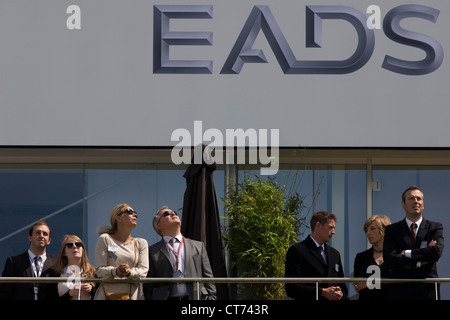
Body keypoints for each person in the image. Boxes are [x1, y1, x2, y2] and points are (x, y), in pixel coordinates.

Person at [383, 186, 444, 300]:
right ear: (403, 204)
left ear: (423, 204)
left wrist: (406, 253)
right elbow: (389, 259)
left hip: (427, 290)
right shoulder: (392, 230)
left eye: (418, 199)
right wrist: (422, 259)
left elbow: (436, 253)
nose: (416, 201)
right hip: (400, 291)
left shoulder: (435, 228)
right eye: (411, 198)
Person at [143, 206, 216, 300]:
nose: (173, 214)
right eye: (167, 214)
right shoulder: (152, 251)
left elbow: (208, 277)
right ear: (159, 226)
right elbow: (149, 284)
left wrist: (212, 298)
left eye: (174, 212)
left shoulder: (198, 246)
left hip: (195, 298)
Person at [285, 211, 348, 300]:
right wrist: (322, 292)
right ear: (318, 225)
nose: (333, 232)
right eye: (330, 227)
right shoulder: (297, 250)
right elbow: (291, 288)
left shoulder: (335, 254)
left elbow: (343, 287)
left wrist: (340, 294)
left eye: (334, 228)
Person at [94, 204, 149, 300]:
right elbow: (99, 270)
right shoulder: (105, 239)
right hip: (107, 295)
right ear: (118, 218)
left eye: (135, 213)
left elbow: (144, 271)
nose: (135, 214)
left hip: (133, 295)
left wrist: (129, 272)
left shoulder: (141, 243)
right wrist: (116, 271)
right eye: (129, 212)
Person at [0, 220, 56, 300]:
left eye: (45, 234)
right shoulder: (14, 262)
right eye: (38, 233)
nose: (41, 236)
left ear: (49, 240)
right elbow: (4, 293)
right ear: (30, 238)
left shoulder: (55, 264)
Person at [44, 235, 96, 300]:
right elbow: (51, 298)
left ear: (83, 250)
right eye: (69, 245)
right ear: (64, 253)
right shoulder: (55, 273)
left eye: (78, 244)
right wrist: (69, 294)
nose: (74, 247)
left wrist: (91, 289)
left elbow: (102, 296)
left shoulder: (93, 272)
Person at [353, 215, 391, 300]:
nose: (368, 233)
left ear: (384, 229)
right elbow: (359, 285)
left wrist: (369, 283)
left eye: (372, 229)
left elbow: (398, 282)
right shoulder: (361, 257)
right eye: (366, 230)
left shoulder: (395, 256)